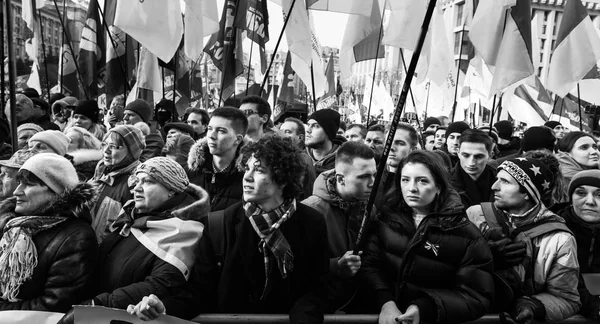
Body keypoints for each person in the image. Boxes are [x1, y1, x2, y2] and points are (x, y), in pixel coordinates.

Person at [129, 135, 328, 323]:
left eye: (258, 170)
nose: (247, 177)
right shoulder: (220, 223)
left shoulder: (312, 222)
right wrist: (163, 308)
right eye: (247, 168)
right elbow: (199, 292)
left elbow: (314, 290)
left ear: (283, 177)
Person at [360, 150, 494, 324]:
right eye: (405, 179)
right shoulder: (385, 221)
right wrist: (386, 302)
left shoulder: (465, 234)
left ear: (438, 186)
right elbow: (370, 267)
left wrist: (424, 308)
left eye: (422, 181)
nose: (412, 188)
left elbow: (476, 294)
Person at [82, 157, 207, 314]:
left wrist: (101, 303)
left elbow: (161, 284)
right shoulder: (129, 219)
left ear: (172, 190)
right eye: (137, 181)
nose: (137, 188)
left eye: (148, 181)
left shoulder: (184, 230)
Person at [466, 157, 580, 322]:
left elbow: (567, 299)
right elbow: (447, 271)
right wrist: (484, 258)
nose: (494, 186)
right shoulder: (475, 216)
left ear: (527, 192)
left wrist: (535, 306)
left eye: (505, 181)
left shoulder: (559, 238)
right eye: (497, 179)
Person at [0, 154, 97, 312]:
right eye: (19, 183)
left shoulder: (76, 238)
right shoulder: (11, 223)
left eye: (28, 184)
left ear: (55, 191)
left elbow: (54, 304)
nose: (17, 192)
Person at [302, 142, 377, 313]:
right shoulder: (310, 210)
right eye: (364, 177)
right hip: (320, 306)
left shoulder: (369, 209)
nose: (372, 183)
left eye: (374, 175)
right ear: (341, 178)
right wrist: (335, 266)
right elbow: (297, 267)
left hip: (358, 303)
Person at [553, 170, 600, 321]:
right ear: (570, 197)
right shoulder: (553, 231)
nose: (590, 201)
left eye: (599, 194)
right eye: (581, 193)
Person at [89, 125, 146, 243]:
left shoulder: (135, 185)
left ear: (132, 152)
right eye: (104, 144)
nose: (106, 151)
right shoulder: (100, 172)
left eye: (114, 147)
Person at [187, 107, 247, 212]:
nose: (211, 136)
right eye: (210, 129)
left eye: (221, 131)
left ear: (237, 139)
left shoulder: (248, 178)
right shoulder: (191, 170)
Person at [451, 129, 497, 208]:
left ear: (490, 156)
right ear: (458, 152)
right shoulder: (444, 182)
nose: (471, 163)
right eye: (466, 155)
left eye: (478, 157)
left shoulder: (499, 181)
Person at [279, 117, 316, 200]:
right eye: (280, 131)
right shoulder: (292, 157)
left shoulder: (300, 159)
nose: (281, 135)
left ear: (300, 138)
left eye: (287, 132)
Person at [305, 109, 342, 175]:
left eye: (316, 126)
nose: (308, 130)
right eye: (308, 125)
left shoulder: (344, 161)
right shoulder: (298, 159)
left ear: (329, 132)